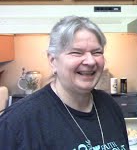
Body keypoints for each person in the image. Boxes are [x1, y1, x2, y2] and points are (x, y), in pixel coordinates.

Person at [0, 16, 130, 149]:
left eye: (97, 52)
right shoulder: (16, 123)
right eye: (76, 52)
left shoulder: (110, 106)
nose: (90, 61)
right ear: (53, 61)